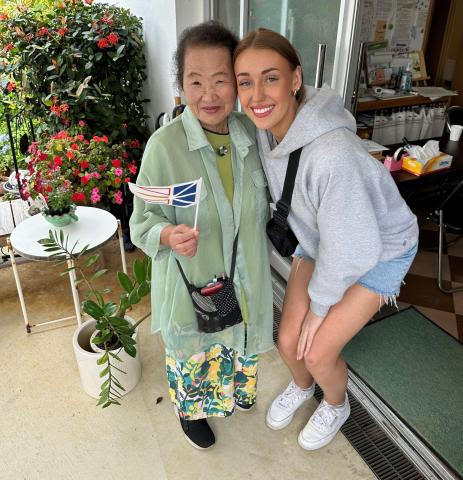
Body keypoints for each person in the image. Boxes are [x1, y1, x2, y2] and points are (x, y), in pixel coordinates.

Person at [234, 29, 419, 451]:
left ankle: (336, 404)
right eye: (246, 81)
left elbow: (357, 247)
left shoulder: (333, 155)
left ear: (296, 79)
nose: (257, 93)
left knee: (316, 351)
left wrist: (320, 308)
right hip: (322, 238)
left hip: (381, 249)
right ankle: (303, 388)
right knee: (287, 342)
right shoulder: (265, 127)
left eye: (271, 78)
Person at [129, 21, 274, 450]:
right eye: (195, 81)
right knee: (196, 354)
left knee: (237, 341)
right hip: (195, 284)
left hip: (245, 279)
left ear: (236, 82)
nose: (208, 95)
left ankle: (231, 395)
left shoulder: (252, 133)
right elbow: (141, 221)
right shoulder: (164, 146)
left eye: (220, 80)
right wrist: (168, 234)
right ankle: (190, 412)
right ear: (181, 85)